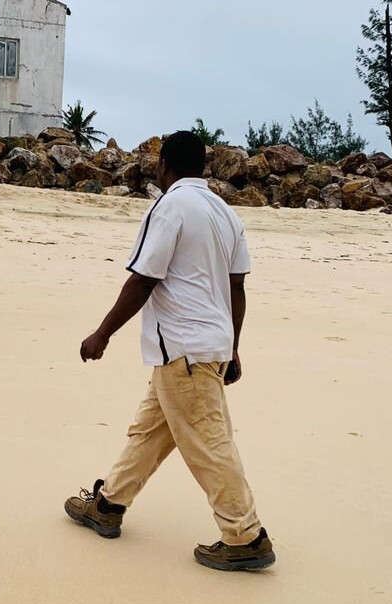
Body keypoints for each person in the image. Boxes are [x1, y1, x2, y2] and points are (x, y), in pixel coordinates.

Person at [64, 130, 275, 572]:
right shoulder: (225, 213)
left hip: (184, 348)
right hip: (205, 348)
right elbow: (237, 287)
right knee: (149, 432)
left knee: (209, 445)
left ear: (165, 165)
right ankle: (108, 505)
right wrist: (232, 347)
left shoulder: (171, 207)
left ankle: (245, 535)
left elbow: (144, 278)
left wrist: (101, 334)